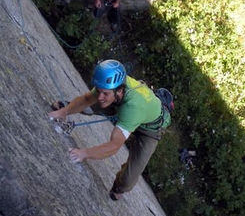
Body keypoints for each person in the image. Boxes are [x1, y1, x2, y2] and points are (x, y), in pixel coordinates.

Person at [48, 59, 170, 201]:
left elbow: (114, 146)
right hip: (128, 107)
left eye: (105, 93)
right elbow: (87, 99)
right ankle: (67, 106)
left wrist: (84, 153)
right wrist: (64, 111)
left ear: (119, 90)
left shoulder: (133, 107)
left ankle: (119, 187)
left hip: (150, 130)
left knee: (128, 180)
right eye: (99, 91)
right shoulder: (109, 86)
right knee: (94, 104)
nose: (100, 96)